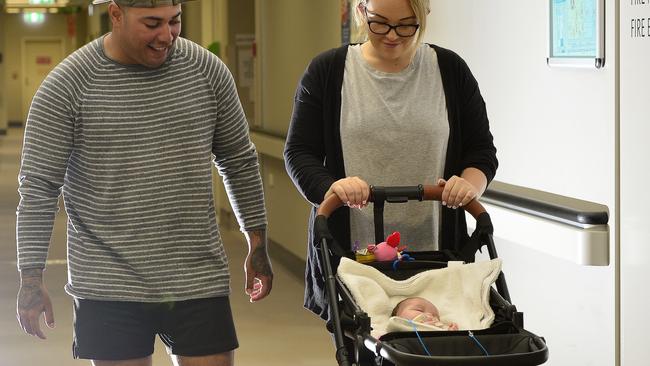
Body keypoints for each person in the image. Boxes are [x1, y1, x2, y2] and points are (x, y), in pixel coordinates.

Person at [15, 1, 273, 365]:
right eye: (152, 23)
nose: (166, 36)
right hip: (108, 283)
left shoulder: (206, 70)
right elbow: (39, 187)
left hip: (196, 275)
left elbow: (239, 160)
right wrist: (31, 276)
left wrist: (256, 242)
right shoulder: (68, 85)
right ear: (116, 14)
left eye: (175, 21)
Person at [284, 0, 497, 323]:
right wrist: (333, 187)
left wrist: (468, 185)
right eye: (379, 23)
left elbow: (481, 151)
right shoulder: (327, 71)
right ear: (360, 12)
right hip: (354, 260)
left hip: (438, 260)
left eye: (407, 24)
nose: (392, 36)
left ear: (424, 17)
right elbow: (299, 152)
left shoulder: (451, 71)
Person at [392, 297, 459, 331]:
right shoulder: (395, 326)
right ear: (398, 316)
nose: (429, 315)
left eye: (435, 316)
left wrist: (450, 333)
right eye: (419, 310)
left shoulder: (438, 330)